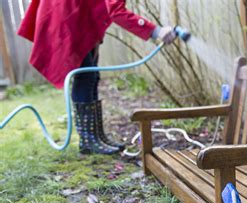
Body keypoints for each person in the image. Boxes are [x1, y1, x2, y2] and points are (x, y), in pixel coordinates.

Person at [17, 0, 176, 154]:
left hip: (73, 16)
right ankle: (88, 141)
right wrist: (156, 31)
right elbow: (116, 11)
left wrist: (94, 41)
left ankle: (96, 136)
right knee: (85, 77)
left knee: (91, 75)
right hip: (66, 18)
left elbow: (95, 7)